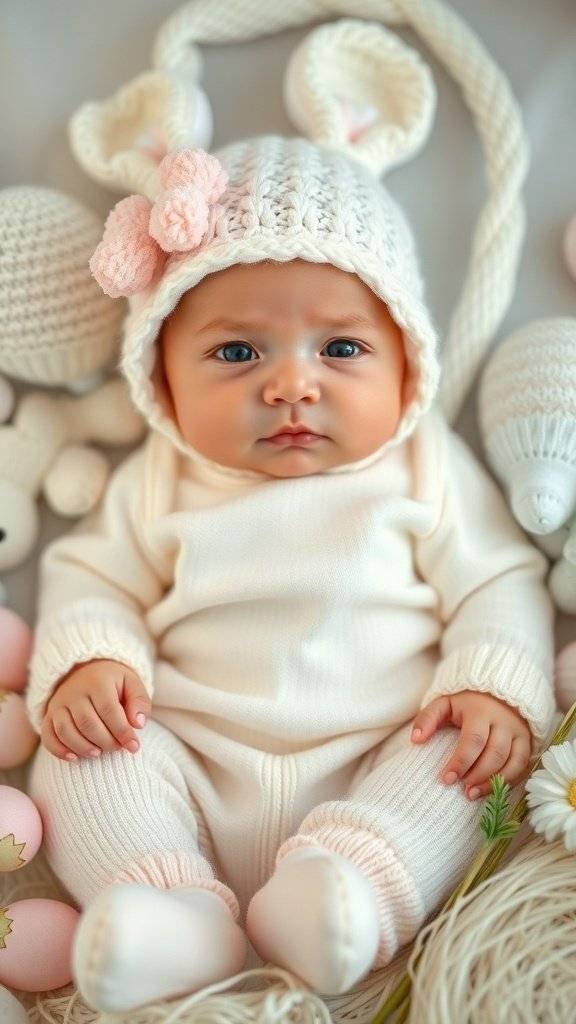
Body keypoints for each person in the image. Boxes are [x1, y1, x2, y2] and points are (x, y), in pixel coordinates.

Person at [25, 141, 555, 1014]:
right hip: (187, 760)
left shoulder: (424, 464)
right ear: (161, 374)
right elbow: (92, 576)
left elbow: (498, 582)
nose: (291, 386)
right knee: (79, 756)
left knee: (469, 770)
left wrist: (491, 685)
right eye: (237, 354)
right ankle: (172, 913)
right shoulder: (161, 474)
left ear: (407, 362)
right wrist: (89, 660)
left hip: (381, 755)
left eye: (341, 346)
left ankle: (345, 895)